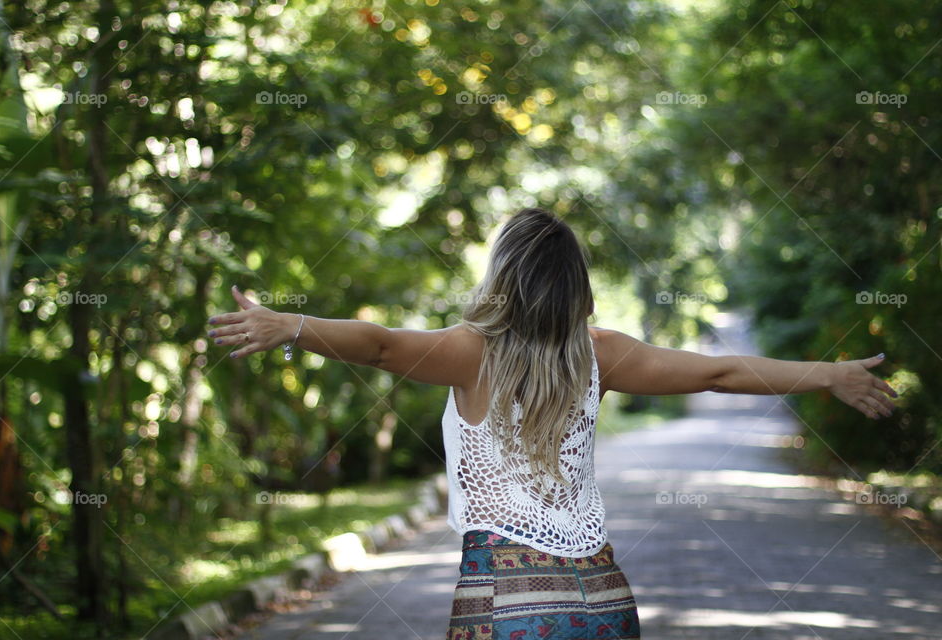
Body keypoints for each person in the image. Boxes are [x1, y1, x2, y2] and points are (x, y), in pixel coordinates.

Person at [206, 207, 897, 640]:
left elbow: (381, 343)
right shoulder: (603, 354)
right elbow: (719, 372)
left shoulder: (470, 353)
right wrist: (829, 374)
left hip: (509, 606)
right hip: (604, 602)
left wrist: (292, 325)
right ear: (575, 287)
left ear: (502, 278)